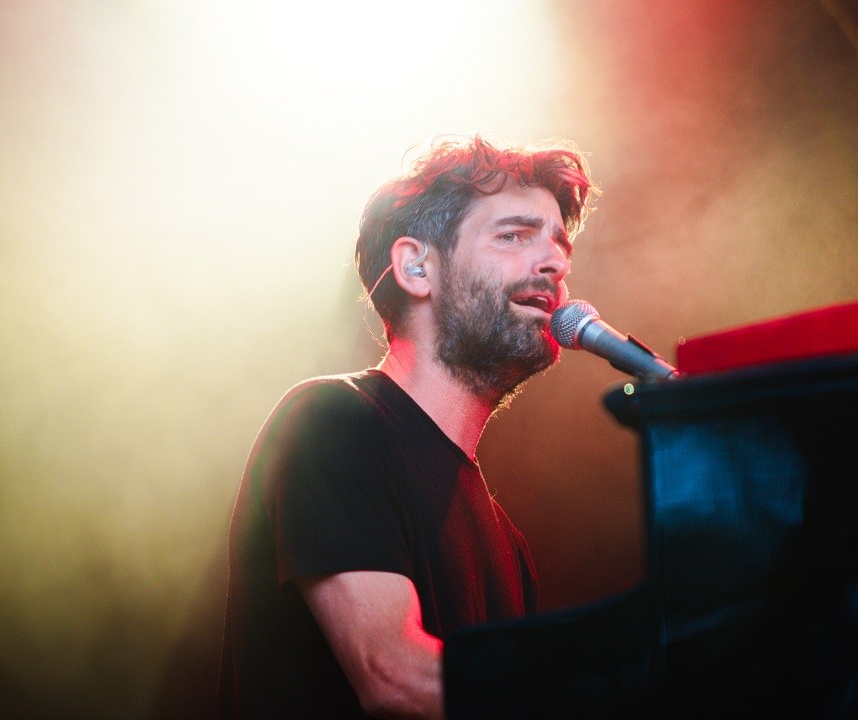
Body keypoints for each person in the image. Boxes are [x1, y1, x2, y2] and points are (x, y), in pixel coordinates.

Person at [218, 135, 600, 719]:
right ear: (416, 267)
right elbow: (393, 673)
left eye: (558, 245)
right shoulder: (332, 422)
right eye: (514, 236)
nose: (554, 264)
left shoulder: (509, 546)